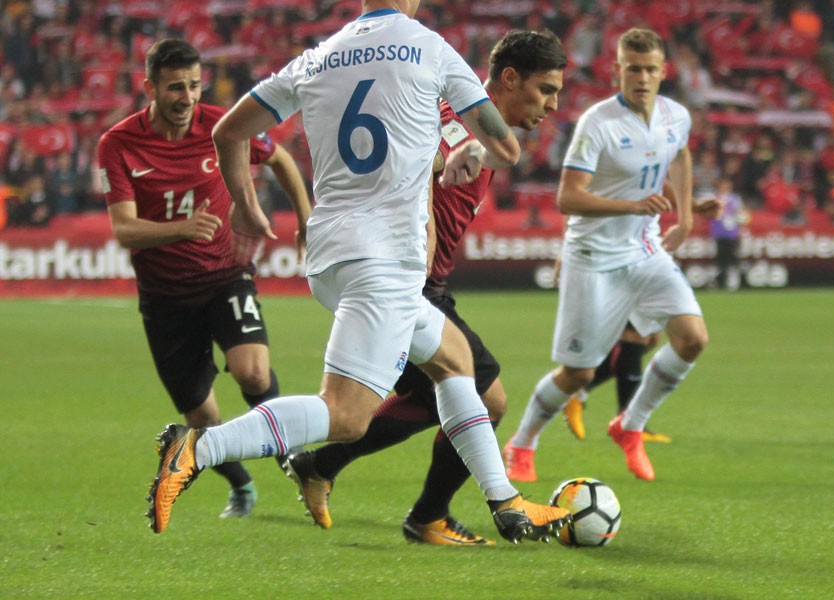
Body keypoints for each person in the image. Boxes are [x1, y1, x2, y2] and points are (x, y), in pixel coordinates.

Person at [146, 1, 571, 544]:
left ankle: (505, 503)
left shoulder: (317, 57)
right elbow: (505, 147)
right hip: (386, 259)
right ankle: (200, 447)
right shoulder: (429, 47)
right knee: (346, 414)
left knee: (454, 360)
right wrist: (470, 148)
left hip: (331, 255)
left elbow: (228, 132)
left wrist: (246, 205)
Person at [281, 30, 567, 546]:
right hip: (405, 279)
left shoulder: (468, 127)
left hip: (418, 281)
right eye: (545, 89)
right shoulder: (450, 123)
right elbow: (405, 172)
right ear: (508, 79)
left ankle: (321, 465)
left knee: (431, 394)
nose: (551, 104)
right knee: (484, 396)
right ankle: (426, 514)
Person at [97, 39, 311, 520]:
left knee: (254, 371)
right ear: (149, 87)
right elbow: (124, 229)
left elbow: (280, 160)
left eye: (194, 85)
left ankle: (295, 459)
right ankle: (242, 486)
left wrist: (304, 218)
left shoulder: (223, 125)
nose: (188, 97)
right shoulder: (119, 144)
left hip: (224, 278)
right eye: (176, 87)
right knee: (202, 419)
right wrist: (183, 228)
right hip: (166, 299)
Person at [503, 27, 709, 482]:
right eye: (632, 68)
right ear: (617, 69)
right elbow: (568, 198)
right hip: (593, 256)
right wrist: (633, 204)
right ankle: (521, 443)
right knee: (577, 373)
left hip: (644, 248)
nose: (642, 77)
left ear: (663, 72)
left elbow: (679, 156)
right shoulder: (598, 123)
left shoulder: (676, 116)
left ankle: (629, 426)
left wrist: (687, 212)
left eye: (650, 69)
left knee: (692, 339)